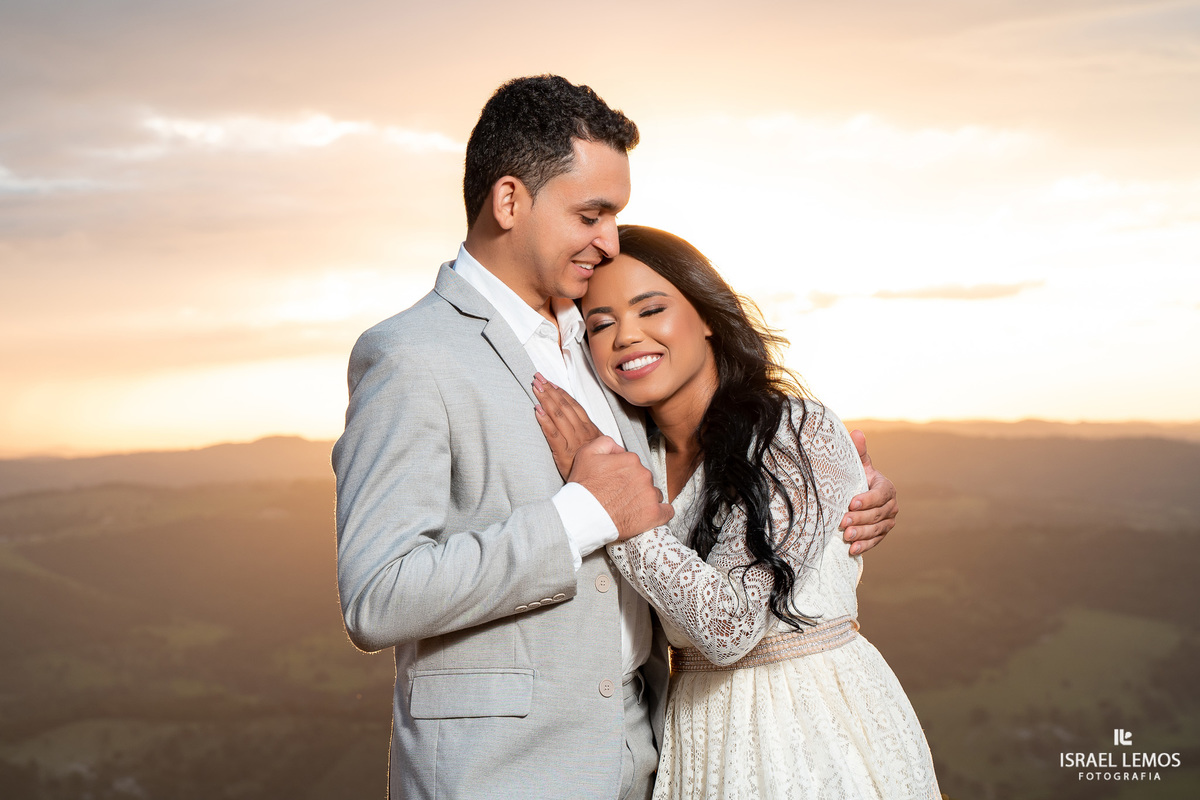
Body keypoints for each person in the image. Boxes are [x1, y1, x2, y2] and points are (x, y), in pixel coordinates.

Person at [333, 76, 899, 800]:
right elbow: (377, 595)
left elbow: (713, 470)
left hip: (656, 758)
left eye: (615, 216)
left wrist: (839, 486)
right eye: (591, 214)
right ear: (509, 201)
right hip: (501, 775)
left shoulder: (602, 338)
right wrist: (580, 515)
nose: (608, 240)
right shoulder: (412, 356)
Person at [533, 225, 939, 799]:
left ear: (706, 316)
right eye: (601, 324)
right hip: (696, 738)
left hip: (812, 732)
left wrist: (612, 505)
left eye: (651, 309)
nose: (626, 335)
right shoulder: (640, 455)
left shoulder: (791, 432)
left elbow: (730, 627)